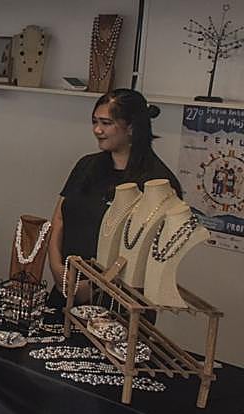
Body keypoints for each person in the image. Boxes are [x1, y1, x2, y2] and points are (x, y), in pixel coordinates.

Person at [48, 89, 181, 305]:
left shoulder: (158, 183)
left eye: (106, 123)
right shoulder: (86, 166)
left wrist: (92, 286)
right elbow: (59, 218)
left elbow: (152, 255)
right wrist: (58, 270)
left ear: (131, 127)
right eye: (94, 122)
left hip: (116, 303)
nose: (97, 129)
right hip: (65, 288)